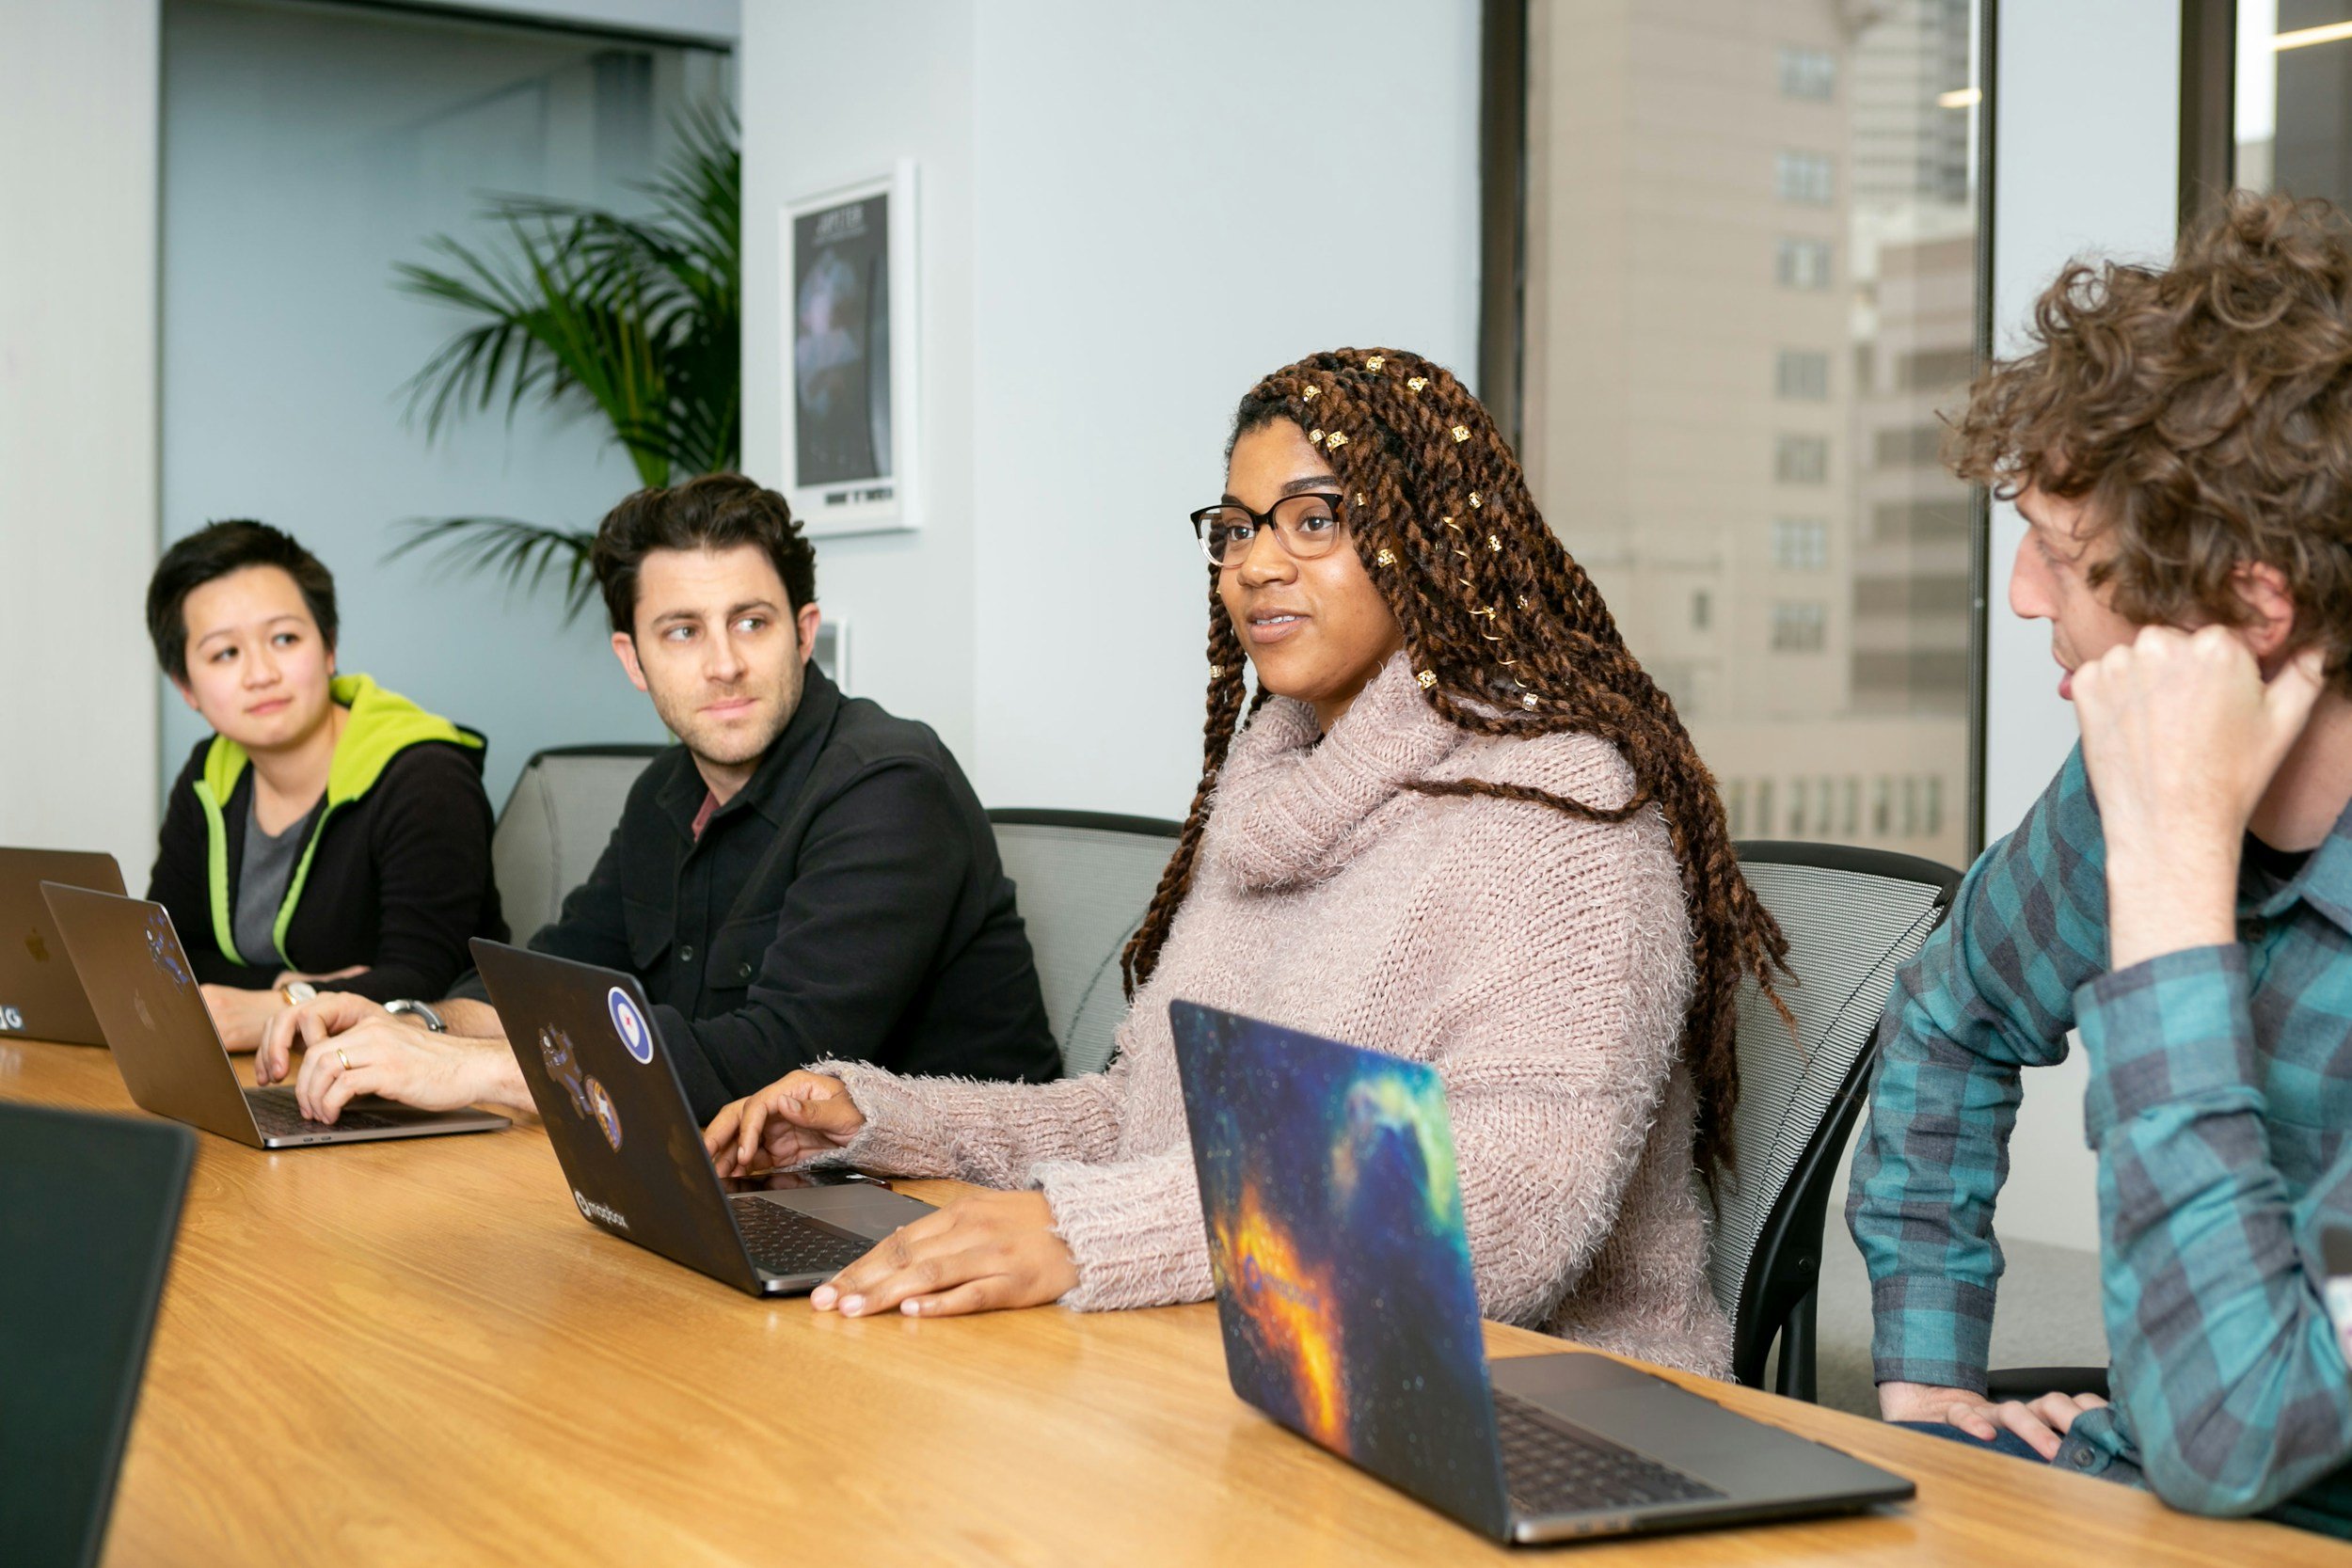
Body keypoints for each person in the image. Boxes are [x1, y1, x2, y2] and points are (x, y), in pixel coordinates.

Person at [702, 348, 1788, 1371]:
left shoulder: (1563, 808)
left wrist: (1093, 1234)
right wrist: (881, 1119)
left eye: (1315, 521)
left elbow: (1512, 1210)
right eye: (1234, 528)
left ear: (1433, 542)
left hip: (1535, 1395)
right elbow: (1143, 1121)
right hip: (1271, 1361)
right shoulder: (1270, 800)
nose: (1255, 563)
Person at [1845, 193, 2352, 1535]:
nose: (2020, 593)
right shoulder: (2122, 789)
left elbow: (2237, 1432)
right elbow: (1950, 1014)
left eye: (2064, 556)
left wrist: (2174, 873)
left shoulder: (2162, 815)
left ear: (2250, 612)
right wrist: (1927, 1375)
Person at [258, 474, 1059, 1122]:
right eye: (681, 631)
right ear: (632, 658)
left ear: (804, 632)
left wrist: (468, 1069)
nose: (723, 663)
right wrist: (412, 1023)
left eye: (751, 622)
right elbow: (554, 980)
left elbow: (778, 1061)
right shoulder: (666, 792)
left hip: (948, 1210)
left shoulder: (889, 786)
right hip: (758, 1190)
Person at [146, 520, 505, 1053]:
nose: (261, 673)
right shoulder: (209, 773)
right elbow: (167, 954)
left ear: (329, 648)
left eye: (284, 639)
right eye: (226, 653)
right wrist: (286, 989)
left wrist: (278, 1008)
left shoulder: (425, 777)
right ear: (186, 687)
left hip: (431, 1077)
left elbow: (422, 980)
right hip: (278, 1065)